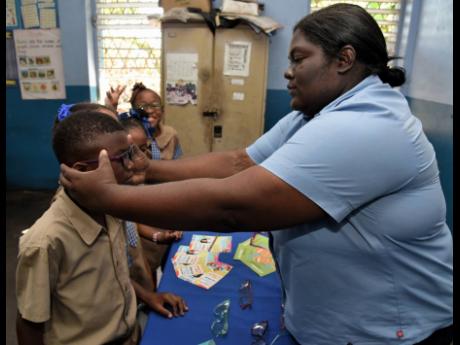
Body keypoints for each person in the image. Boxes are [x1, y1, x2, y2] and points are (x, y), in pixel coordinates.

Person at [59, 4, 452, 345]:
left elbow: (234, 205)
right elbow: (238, 162)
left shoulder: (366, 127)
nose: (287, 71)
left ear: (343, 59)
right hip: (338, 323)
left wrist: (107, 198)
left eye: (299, 58)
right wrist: (150, 169)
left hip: (389, 331)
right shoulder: (314, 115)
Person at [16, 111, 187, 345]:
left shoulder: (110, 208)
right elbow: (29, 323)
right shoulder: (46, 241)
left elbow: (115, 273)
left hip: (130, 334)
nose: (132, 164)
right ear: (83, 170)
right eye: (122, 158)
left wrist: (148, 296)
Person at [120, 117, 183, 284]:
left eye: (143, 148)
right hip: (129, 265)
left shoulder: (138, 172)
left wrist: (159, 235)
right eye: (131, 151)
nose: (141, 156)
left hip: (145, 252)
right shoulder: (116, 184)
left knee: (149, 278)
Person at [106, 82, 183, 160]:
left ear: (162, 110)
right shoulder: (129, 133)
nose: (149, 111)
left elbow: (178, 163)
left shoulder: (171, 134)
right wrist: (111, 106)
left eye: (155, 105)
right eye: (143, 107)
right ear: (133, 110)